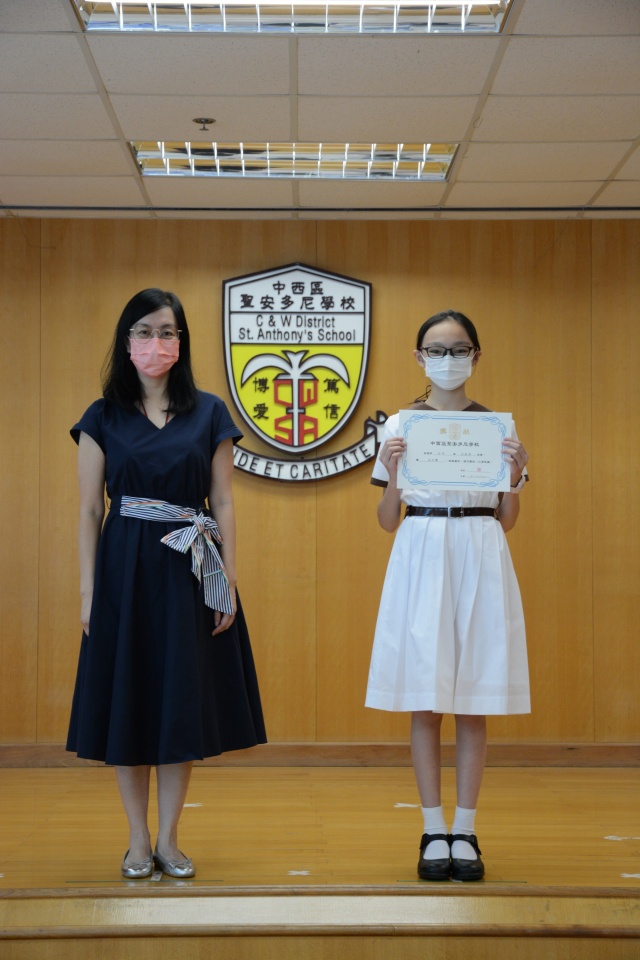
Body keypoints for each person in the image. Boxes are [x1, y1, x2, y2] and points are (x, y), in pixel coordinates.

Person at [67, 288, 266, 880]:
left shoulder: (210, 412)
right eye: (145, 331)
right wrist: (88, 593)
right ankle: (136, 840)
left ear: (182, 342)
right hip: (123, 571)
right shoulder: (101, 416)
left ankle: (170, 839)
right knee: (129, 703)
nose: (157, 343)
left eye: (168, 332)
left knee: (181, 703)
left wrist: (228, 576)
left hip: (190, 568)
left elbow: (222, 501)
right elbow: (89, 511)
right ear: (126, 340)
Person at [366, 309, 529, 882]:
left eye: (459, 349)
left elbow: (507, 518)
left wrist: (515, 477)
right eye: (436, 350)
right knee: (426, 696)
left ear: (476, 356)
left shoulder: (498, 427)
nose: (448, 359)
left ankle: (466, 828)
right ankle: (432, 827)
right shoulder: (400, 426)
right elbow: (388, 519)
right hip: (422, 550)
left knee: (474, 697)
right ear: (419, 357)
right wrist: (392, 470)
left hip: (480, 550)